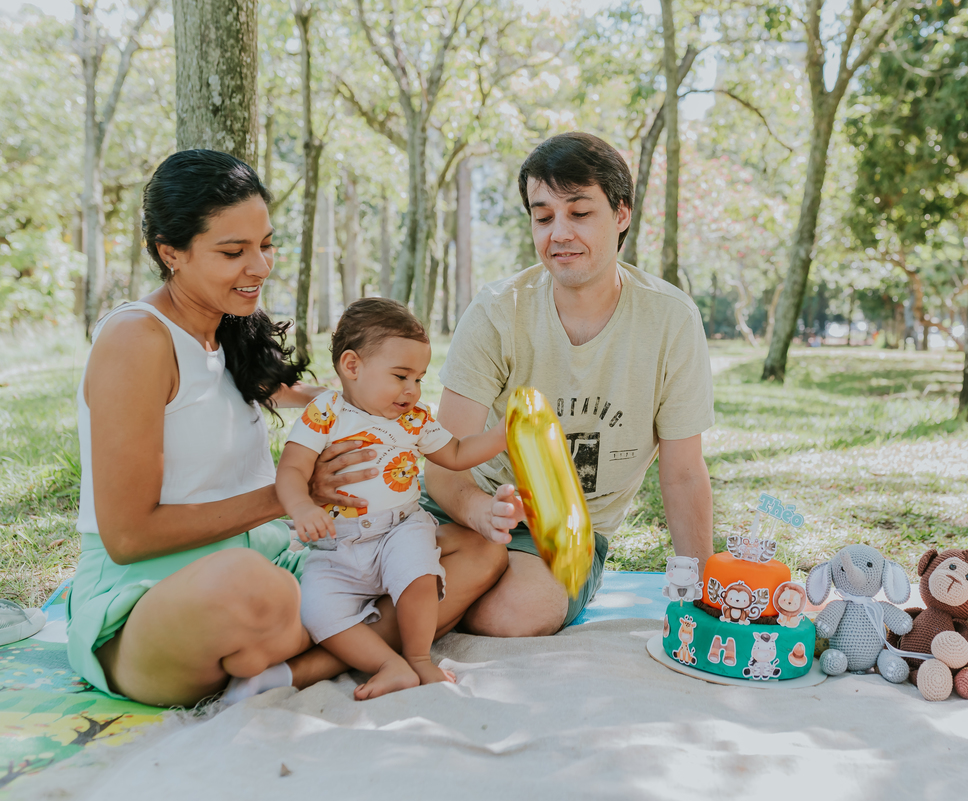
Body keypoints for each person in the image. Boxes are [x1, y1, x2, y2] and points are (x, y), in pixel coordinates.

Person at [67, 150, 507, 708]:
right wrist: (293, 493)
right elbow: (127, 539)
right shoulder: (136, 341)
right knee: (255, 590)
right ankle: (310, 647)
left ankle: (284, 671)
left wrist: (381, 399)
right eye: (234, 251)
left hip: (273, 559)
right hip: (153, 598)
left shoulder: (228, 329)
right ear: (169, 252)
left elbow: (327, 398)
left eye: (265, 244)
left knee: (476, 552)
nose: (260, 266)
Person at [423, 131, 716, 636]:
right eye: (543, 217)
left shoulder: (671, 320)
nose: (559, 233)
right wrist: (481, 515)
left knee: (522, 612)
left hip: (566, 535)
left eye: (579, 213)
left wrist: (709, 594)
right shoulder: (497, 312)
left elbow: (684, 473)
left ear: (622, 214)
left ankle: (420, 602)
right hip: (466, 508)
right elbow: (443, 465)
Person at [276, 298, 506, 699]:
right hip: (337, 542)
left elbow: (455, 454)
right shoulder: (324, 412)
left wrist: (502, 434)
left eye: (418, 378)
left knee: (419, 575)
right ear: (352, 367)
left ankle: (418, 658)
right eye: (401, 376)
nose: (413, 390)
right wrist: (301, 507)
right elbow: (292, 470)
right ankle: (388, 665)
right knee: (317, 610)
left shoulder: (413, 420)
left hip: (399, 527)